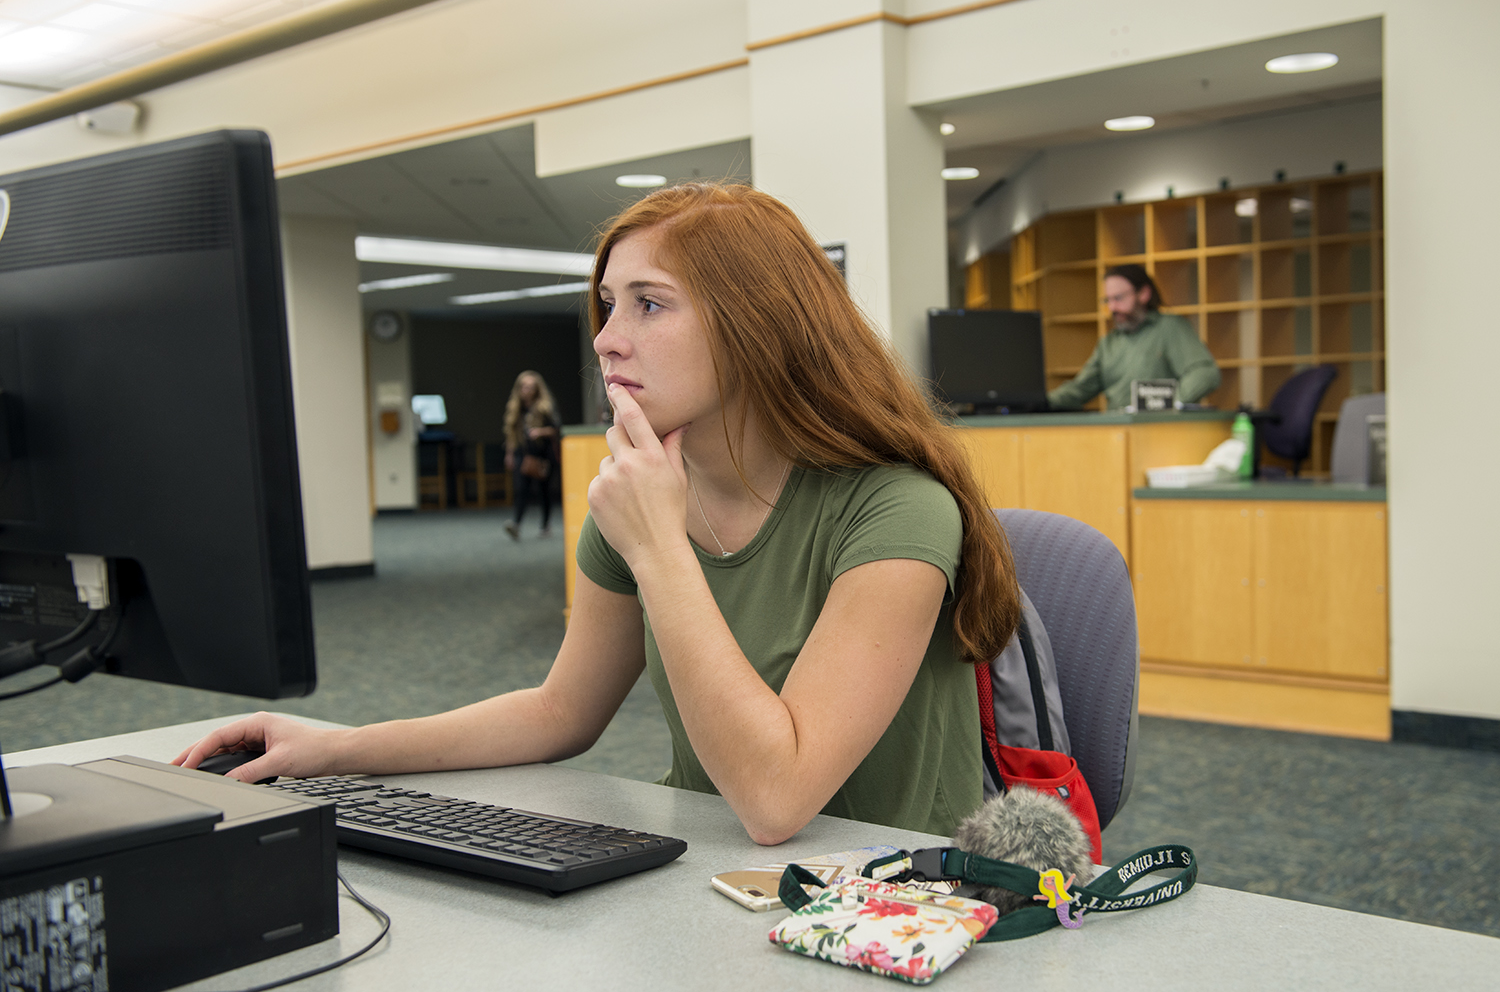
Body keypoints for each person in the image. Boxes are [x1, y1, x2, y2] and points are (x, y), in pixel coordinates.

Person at [175, 183, 1021, 845]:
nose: (607, 337)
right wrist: (334, 749)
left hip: (882, 902)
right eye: (609, 305)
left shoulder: (898, 508)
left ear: (758, 327)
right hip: (720, 882)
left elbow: (777, 796)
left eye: (649, 304)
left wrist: (659, 548)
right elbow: (560, 712)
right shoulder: (644, 496)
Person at [1047, 264, 1221, 410]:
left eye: (1119, 298)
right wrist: (1039, 402)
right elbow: (1080, 389)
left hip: (1161, 433)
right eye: (1108, 300)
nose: (1112, 308)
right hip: (1118, 436)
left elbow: (1204, 374)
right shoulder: (1108, 343)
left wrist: (1164, 405)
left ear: (1143, 294)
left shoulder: (1169, 328)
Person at [503, 370, 560, 539]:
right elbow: (510, 433)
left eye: (531, 387)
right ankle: (516, 524)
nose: (527, 390)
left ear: (537, 389)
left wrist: (540, 432)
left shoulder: (545, 407)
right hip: (522, 452)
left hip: (542, 453)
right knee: (521, 488)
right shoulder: (515, 409)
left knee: (543, 491)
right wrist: (509, 454)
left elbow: (557, 429)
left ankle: (545, 525)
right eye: (524, 387)